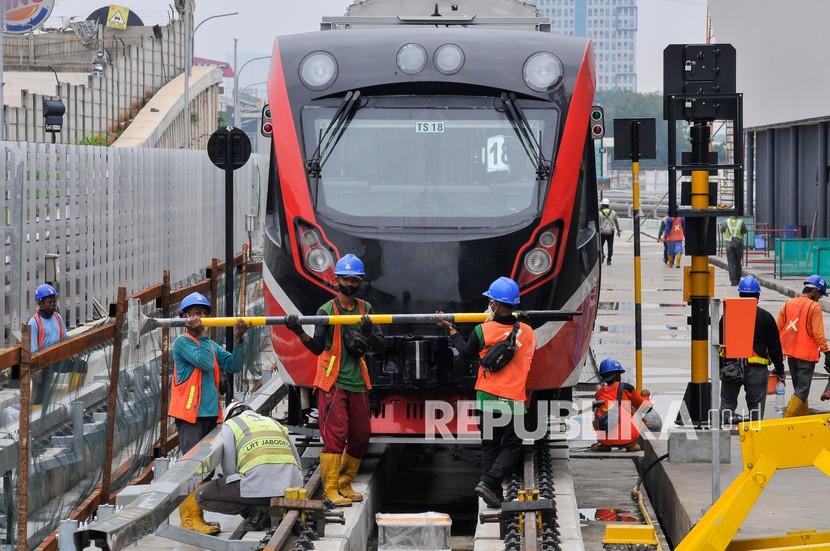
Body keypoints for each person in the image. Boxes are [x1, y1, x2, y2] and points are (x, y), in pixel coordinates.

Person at [285, 253, 385, 508]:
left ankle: (344, 483)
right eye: (346, 279)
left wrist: (369, 333)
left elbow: (380, 345)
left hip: (358, 383)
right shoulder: (326, 310)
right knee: (335, 437)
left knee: (361, 436)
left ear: (360, 282)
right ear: (337, 279)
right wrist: (298, 331)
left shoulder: (365, 309)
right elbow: (317, 347)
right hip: (333, 383)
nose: (350, 284)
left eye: (355, 280)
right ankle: (330, 489)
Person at [437, 276, 536, 509]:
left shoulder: (482, 331)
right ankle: (490, 483)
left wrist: (451, 330)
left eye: (491, 301)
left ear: (497, 304)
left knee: (490, 444)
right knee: (512, 446)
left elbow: (464, 356)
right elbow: (529, 360)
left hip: (487, 397)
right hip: (512, 399)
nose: (489, 304)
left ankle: (490, 489)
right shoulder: (528, 332)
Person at [170, 292, 249, 534]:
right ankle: (189, 519)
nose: (201, 317)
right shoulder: (183, 342)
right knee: (193, 467)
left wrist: (239, 340)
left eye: (204, 313)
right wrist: (201, 335)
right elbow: (204, 362)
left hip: (209, 414)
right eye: (195, 313)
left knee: (207, 467)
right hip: (190, 415)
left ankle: (198, 517)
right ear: (185, 316)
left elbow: (234, 365)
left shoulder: (210, 345)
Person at [196, 401, 302, 530]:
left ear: (229, 415)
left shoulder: (231, 424)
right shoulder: (274, 422)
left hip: (258, 492)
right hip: (290, 489)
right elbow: (297, 461)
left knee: (201, 495)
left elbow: (230, 469)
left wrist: (229, 481)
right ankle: (263, 509)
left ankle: (256, 510)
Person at [719, 276, 785, 423]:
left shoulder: (728, 314)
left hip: (731, 368)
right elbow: (775, 347)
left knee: (727, 406)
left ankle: (723, 433)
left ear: (740, 294)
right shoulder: (765, 317)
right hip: (756, 370)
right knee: (756, 410)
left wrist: (721, 367)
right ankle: (754, 435)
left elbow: (719, 341)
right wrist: (780, 371)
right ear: (758, 296)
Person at [776, 275, 830, 417]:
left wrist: (775, 352)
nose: (819, 298)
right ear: (814, 291)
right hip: (806, 356)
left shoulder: (789, 303)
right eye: (820, 295)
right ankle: (787, 419)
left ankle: (801, 416)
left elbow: (778, 328)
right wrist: (827, 351)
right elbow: (818, 333)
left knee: (798, 389)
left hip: (791, 355)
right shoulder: (814, 306)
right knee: (802, 390)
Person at [591, 359, 653, 452]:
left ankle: (604, 444)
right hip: (628, 438)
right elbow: (646, 408)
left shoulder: (598, 393)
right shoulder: (627, 388)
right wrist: (646, 396)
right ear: (617, 375)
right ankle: (631, 445)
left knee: (599, 411)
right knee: (636, 414)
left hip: (605, 440)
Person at [29, 284, 67, 405]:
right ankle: (38, 406)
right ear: (40, 303)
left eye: (54, 301)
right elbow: (33, 352)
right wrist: (38, 369)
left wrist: (71, 353)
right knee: (40, 388)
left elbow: (65, 339)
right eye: (49, 302)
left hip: (58, 359)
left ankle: (73, 396)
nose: (53, 304)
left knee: (82, 366)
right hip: (42, 363)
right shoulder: (34, 323)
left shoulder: (58, 317)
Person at [721, 215, 745, 286]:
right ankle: (738, 280)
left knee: (731, 263)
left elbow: (721, 230)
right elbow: (744, 231)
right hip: (739, 244)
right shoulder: (741, 222)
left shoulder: (725, 222)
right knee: (738, 263)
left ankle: (733, 281)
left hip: (729, 245)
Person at [598, 198, 621, 266]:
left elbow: (598, 223)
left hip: (602, 231)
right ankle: (609, 260)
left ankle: (602, 254)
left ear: (603, 205)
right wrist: (618, 231)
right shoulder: (613, 212)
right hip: (611, 231)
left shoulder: (599, 213)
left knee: (600, 245)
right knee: (610, 246)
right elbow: (616, 222)